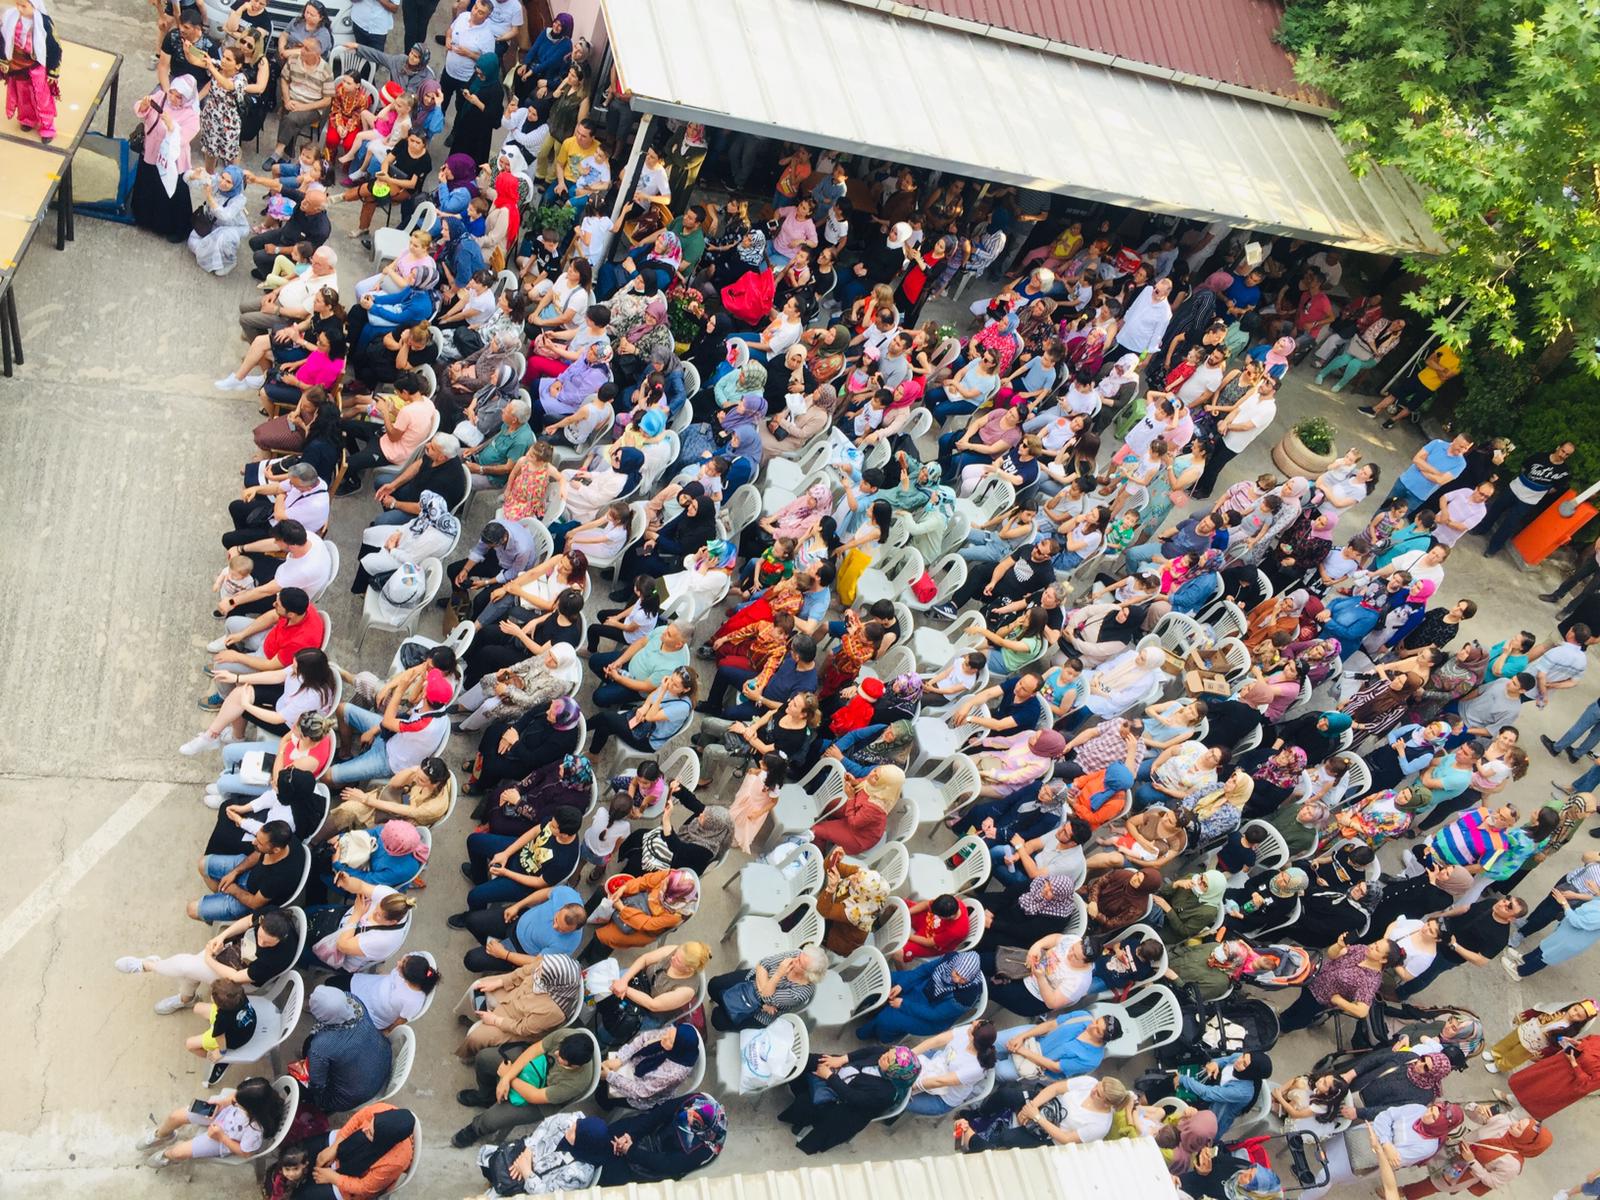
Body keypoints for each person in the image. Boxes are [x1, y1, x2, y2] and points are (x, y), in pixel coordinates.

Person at [452, 1030, 599, 1147]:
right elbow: (535, 1050)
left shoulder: (576, 1083)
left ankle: (475, 1130)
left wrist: (507, 1077)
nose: (556, 1053)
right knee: (484, 1058)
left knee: (490, 1120)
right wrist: (507, 1077)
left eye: (561, 1058)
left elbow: (534, 1096)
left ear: (574, 1066)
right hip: (537, 1067)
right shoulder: (567, 1037)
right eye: (559, 1050)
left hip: (541, 1101)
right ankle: (486, 1096)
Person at [776, 1045, 921, 1154]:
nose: (885, 1055)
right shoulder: (888, 1055)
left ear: (893, 1072)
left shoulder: (885, 1093)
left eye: (888, 1059)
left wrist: (829, 1077)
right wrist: (842, 1059)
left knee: (807, 1104)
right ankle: (785, 1075)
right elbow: (869, 1051)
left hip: (847, 1108)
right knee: (810, 1061)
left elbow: (853, 1097)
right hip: (846, 1071)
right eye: (890, 1052)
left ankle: (802, 1120)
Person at [137, 1075, 286, 1168]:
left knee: (178, 1152)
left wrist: (221, 1137)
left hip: (224, 1138)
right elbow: (234, 1096)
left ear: (252, 1109)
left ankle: (167, 1156)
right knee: (175, 1117)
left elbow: (245, 1153)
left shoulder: (254, 1131)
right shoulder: (252, 1093)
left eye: (238, 1103)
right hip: (223, 1116)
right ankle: (162, 1135)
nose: (235, 1102)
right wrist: (223, 1103)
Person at [302, 985, 394, 1116]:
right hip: (383, 1059)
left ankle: (324, 1111)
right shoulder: (355, 1002)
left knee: (300, 1084)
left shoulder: (321, 1046)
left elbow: (317, 1085)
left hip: (351, 1095)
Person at [131, 76, 202, 242]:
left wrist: (172, 127)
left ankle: (175, 229)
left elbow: (184, 138)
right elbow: (139, 109)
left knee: (172, 193)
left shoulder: (191, 115)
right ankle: (145, 219)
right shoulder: (160, 97)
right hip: (151, 151)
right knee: (148, 184)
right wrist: (143, 105)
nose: (173, 98)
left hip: (172, 162)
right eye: (172, 93)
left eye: (179, 97)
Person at [298, 1104, 417, 1199]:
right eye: (371, 1125)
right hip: (345, 1142)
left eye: (371, 1133)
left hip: (352, 1181)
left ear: (383, 1141)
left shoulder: (394, 1163)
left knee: (304, 1195)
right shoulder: (384, 1111)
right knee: (300, 1152)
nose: (364, 1130)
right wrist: (334, 1148)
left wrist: (333, 1178)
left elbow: (364, 1188)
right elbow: (358, 1119)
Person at [707, 947, 827, 1031]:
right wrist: (764, 992)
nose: (795, 959)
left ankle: (727, 1004)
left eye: (800, 963)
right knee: (713, 985)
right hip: (752, 982)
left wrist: (779, 973)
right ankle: (727, 1002)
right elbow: (763, 963)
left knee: (717, 1019)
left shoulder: (800, 993)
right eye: (800, 956)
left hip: (759, 1012)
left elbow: (767, 996)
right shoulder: (796, 954)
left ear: (808, 974)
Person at [1507, 1032, 1600, 1120]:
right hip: (1558, 1066)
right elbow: (1590, 1041)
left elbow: (1587, 1085)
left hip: (1567, 1082)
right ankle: (1514, 1100)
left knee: (1542, 1097)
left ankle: (1513, 1118)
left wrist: (1574, 1064)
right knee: (1535, 1084)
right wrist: (1576, 1043)